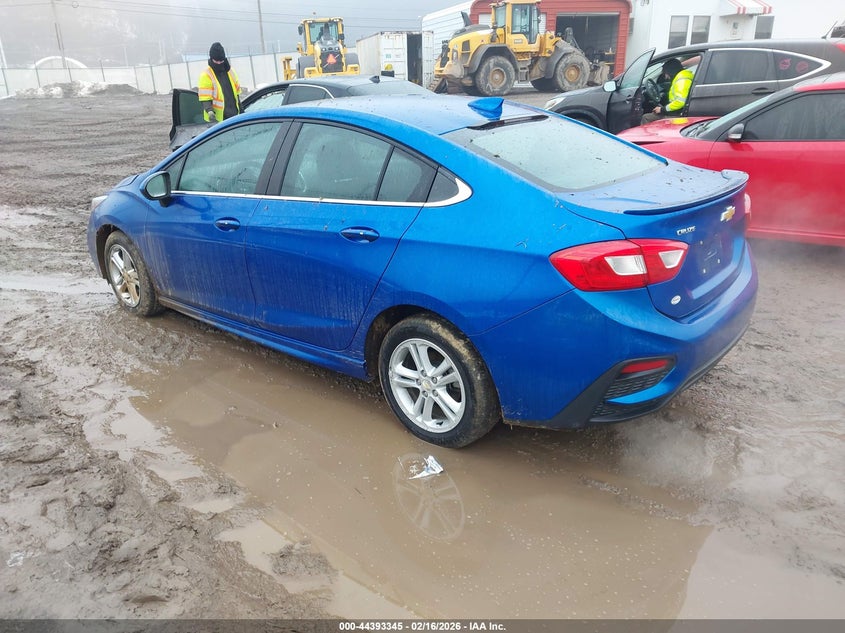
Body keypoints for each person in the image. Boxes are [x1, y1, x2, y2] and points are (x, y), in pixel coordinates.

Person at [198, 42, 241, 124]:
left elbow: (237, 95)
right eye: (216, 61)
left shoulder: (231, 72)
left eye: (221, 61)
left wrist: (241, 111)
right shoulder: (206, 75)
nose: (218, 63)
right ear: (211, 58)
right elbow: (205, 99)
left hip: (234, 117)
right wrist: (209, 111)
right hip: (217, 121)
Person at [641, 58, 694, 125]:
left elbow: (680, 102)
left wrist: (662, 109)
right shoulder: (684, 75)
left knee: (646, 117)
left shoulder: (681, 80)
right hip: (677, 112)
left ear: (671, 71)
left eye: (666, 73)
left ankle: (647, 135)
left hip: (676, 115)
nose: (666, 77)